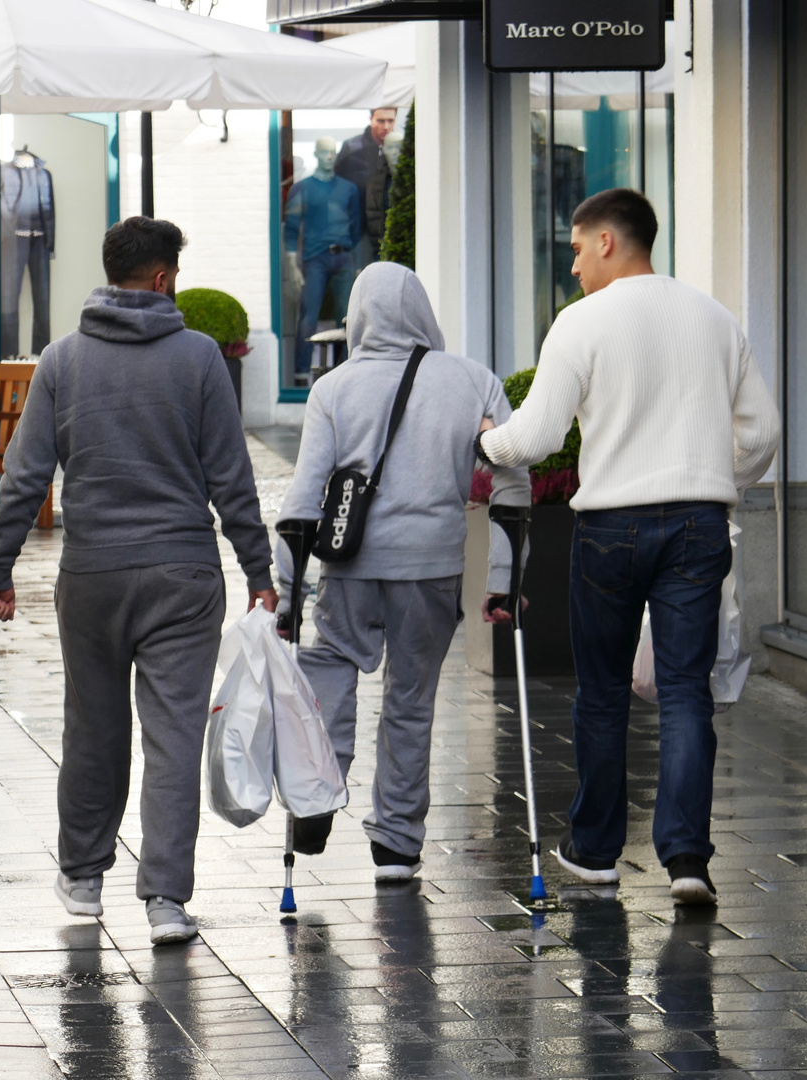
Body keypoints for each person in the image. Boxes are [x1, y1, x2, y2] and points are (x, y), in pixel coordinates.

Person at [476, 188, 780, 906]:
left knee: (604, 692)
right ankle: (686, 862)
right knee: (684, 692)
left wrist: (484, 441)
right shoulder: (715, 318)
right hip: (699, 524)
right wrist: (710, 478)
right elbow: (763, 434)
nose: (574, 267)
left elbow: (538, 438)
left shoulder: (582, 322)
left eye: (577, 250)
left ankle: (596, 851)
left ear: (608, 241)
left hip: (611, 527)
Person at [0, 216, 276, 944]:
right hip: (183, 575)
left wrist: (0, 565)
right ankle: (165, 901)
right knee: (172, 737)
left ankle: (83, 876)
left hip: (94, 576)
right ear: (164, 277)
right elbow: (231, 478)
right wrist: (259, 571)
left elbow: (26, 474)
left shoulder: (62, 361)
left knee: (94, 728)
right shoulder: (201, 359)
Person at [277, 261, 531, 881]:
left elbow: (303, 500)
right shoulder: (474, 382)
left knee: (330, 668)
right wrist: (505, 577)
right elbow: (512, 482)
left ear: (357, 314)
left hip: (350, 568)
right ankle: (396, 842)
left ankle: (318, 789)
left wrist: (286, 592)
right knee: (411, 700)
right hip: (433, 567)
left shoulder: (333, 389)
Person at [284, 137, 362, 383]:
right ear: (316, 154)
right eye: (325, 153)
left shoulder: (348, 189)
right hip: (315, 258)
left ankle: (347, 370)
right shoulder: (302, 188)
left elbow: (357, 227)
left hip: (344, 257)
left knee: (347, 317)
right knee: (309, 316)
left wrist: (357, 263)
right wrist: (292, 264)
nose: (330, 157)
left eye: (333, 153)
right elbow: (291, 227)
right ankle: (301, 372)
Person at [334, 108, 397, 266]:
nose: (386, 126)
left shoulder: (401, 146)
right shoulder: (353, 148)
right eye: (381, 121)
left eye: (390, 121)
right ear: (371, 119)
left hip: (389, 228)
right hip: (358, 230)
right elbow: (338, 188)